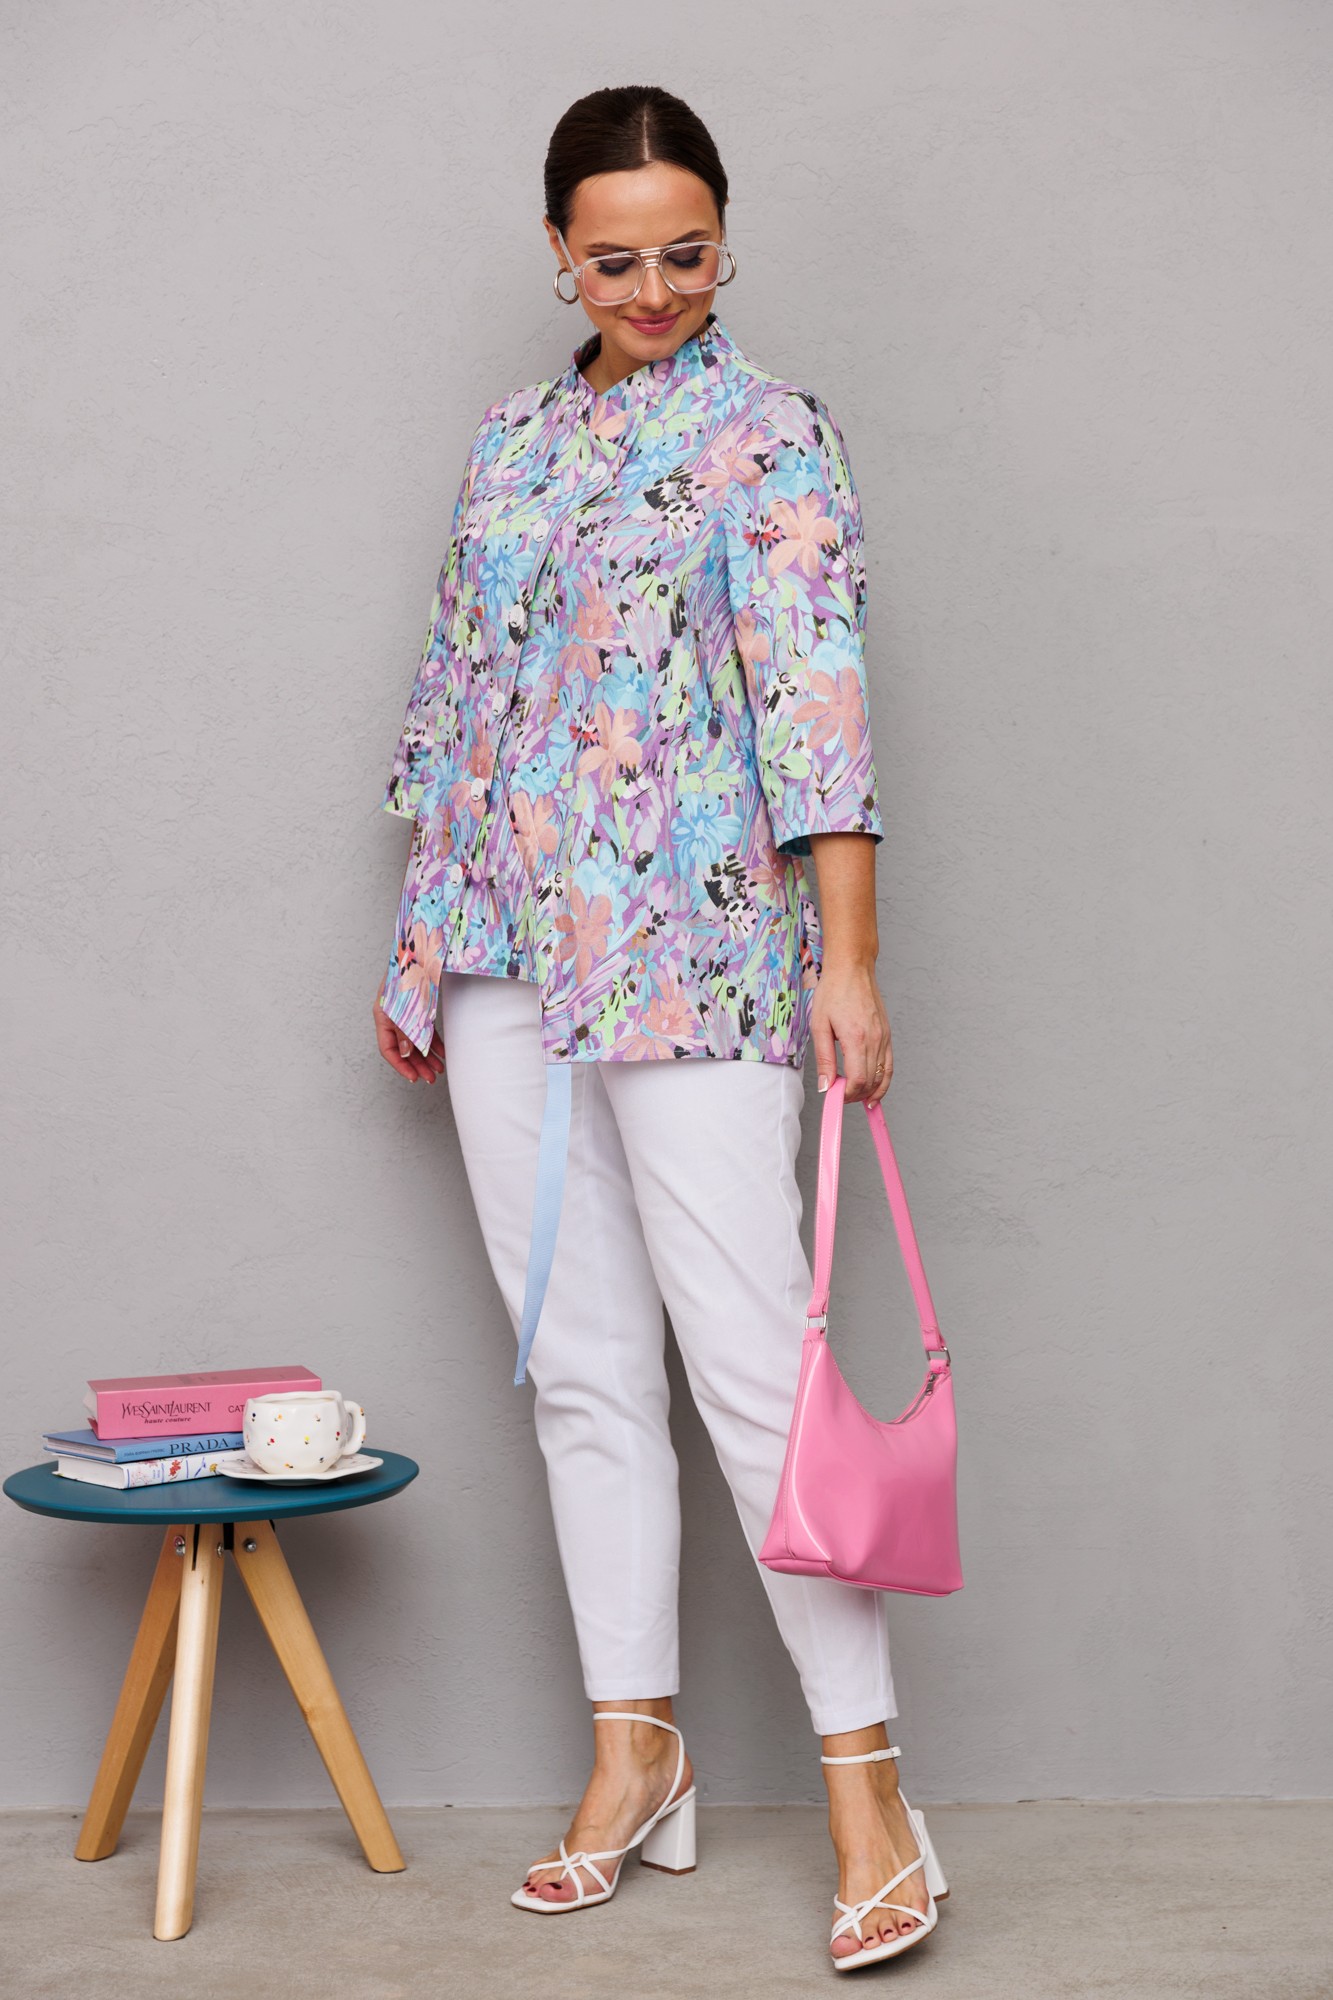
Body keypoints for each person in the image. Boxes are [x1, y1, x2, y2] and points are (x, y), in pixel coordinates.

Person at [371, 84, 946, 1970]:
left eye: (682, 254)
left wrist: (845, 964)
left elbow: (818, 709)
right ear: (558, 250)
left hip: (691, 949)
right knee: (580, 1371)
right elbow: (457, 695)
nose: (650, 288)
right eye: (612, 258)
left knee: (754, 1374)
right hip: (499, 954)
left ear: (723, 242)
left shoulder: (769, 434)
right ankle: (636, 1754)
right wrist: (420, 942)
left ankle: (868, 1791)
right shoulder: (511, 440)